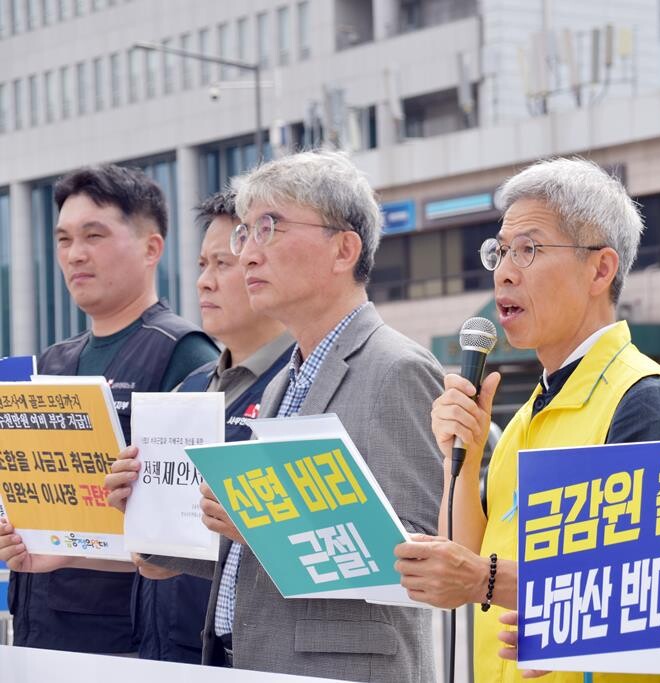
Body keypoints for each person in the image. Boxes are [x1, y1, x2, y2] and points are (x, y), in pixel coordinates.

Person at [107, 150, 444, 682]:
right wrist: (152, 518)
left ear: (343, 249)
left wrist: (265, 523)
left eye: (269, 228)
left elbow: (421, 563)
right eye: (246, 234)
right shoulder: (288, 376)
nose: (248, 256)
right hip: (240, 659)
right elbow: (252, 552)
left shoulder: (396, 368)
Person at [393, 157, 660, 683]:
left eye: (529, 250)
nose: (505, 271)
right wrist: (458, 460)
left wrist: (488, 580)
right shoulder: (526, 416)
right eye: (501, 251)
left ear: (600, 270)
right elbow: (464, 561)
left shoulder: (643, 400)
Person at [3, 164, 219, 655]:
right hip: (40, 626)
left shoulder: (185, 354)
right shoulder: (54, 362)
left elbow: (191, 531)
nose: (75, 254)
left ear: (151, 248)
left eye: (94, 235)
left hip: (127, 640)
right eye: (63, 239)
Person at [131, 190, 294, 663]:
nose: (204, 282)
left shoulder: (301, 385)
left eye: (223, 264)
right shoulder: (190, 387)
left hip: (241, 652)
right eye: (202, 265)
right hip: (162, 648)